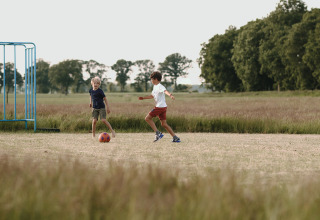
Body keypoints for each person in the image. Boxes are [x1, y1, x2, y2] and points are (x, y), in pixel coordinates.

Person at [138, 71, 181, 143]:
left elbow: (165, 91)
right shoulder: (155, 87)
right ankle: (175, 137)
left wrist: (170, 95)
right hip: (163, 107)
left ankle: (158, 133)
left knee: (147, 118)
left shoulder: (160, 86)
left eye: (152, 79)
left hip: (160, 107)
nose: (151, 81)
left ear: (156, 79)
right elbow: (152, 96)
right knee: (164, 124)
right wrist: (143, 98)